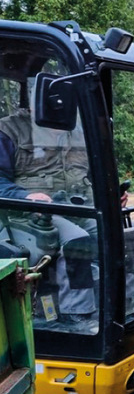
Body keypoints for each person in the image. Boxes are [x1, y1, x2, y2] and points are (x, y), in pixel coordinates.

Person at [0, 105, 98, 324]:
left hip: (80, 208)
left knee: (120, 234)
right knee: (77, 241)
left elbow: (93, 173)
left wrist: (112, 193)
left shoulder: (79, 130)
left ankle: (125, 305)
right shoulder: (8, 131)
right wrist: (25, 196)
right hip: (28, 214)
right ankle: (78, 316)